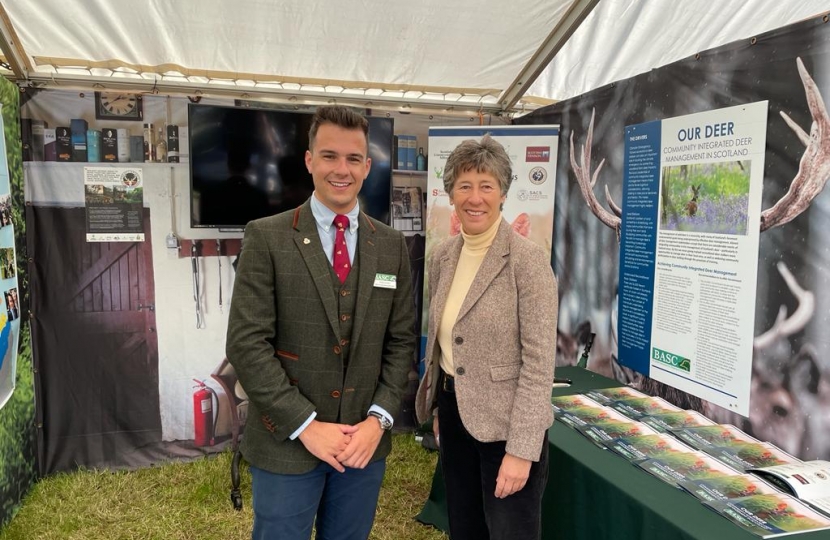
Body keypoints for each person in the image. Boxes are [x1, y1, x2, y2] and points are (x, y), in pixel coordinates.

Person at [226, 105, 416, 540]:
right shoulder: (267, 236)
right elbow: (246, 344)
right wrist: (306, 427)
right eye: (329, 156)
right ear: (310, 161)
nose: (341, 169)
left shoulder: (390, 246)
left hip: (362, 445)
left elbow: (401, 340)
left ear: (367, 167)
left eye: (353, 159)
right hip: (287, 443)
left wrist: (378, 421)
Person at [415, 135, 558, 540]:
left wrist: (521, 450)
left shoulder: (527, 262)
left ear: (502, 194)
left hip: (506, 428)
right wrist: (442, 409)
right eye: (464, 185)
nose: (474, 197)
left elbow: (538, 365)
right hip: (455, 413)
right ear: (451, 194)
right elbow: (445, 343)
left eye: (486, 186)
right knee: (465, 528)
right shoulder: (443, 256)